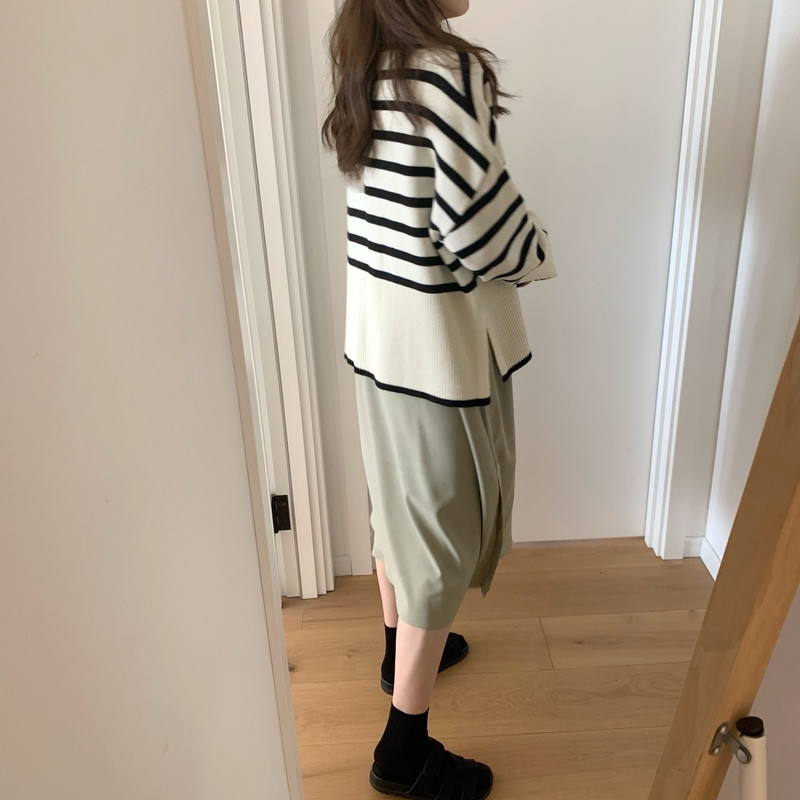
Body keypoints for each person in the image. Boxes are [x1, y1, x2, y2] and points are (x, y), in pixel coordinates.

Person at [322, 1, 557, 798]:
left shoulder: (365, 61)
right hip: (441, 353)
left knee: (398, 512)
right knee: (446, 540)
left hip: (378, 336)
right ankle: (404, 749)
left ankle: (399, 655)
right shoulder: (450, 69)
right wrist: (538, 248)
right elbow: (481, 231)